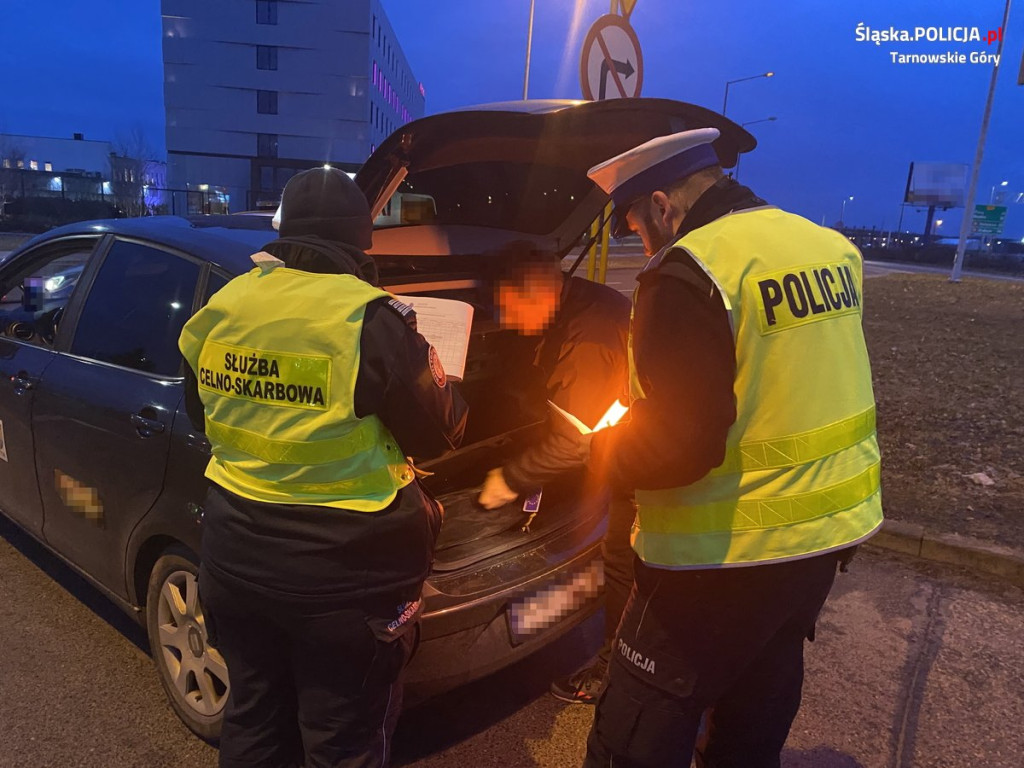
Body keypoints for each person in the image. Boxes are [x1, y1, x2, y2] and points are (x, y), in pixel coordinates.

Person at [581, 128, 884, 767]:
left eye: (637, 224)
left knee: (632, 734)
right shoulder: (828, 247)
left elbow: (681, 445)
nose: (642, 240)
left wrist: (602, 453)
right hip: (823, 537)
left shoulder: (689, 270)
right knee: (753, 717)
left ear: (662, 205)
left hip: (720, 553)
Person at [178, 167, 468, 768]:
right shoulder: (368, 317)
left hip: (234, 564)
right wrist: (451, 380)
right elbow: (440, 433)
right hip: (343, 583)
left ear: (283, 234)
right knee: (343, 745)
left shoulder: (224, 303)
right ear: (361, 240)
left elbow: (198, 409)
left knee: (254, 720)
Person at [476, 243, 634, 704]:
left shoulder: (588, 337)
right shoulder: (581, 300)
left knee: (623, 565)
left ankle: (615, 673)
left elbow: (571, 443)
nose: (502, 321)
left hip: (639, 470)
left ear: (535, 295)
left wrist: (506, 480)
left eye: (505, 308)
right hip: (615, 459)